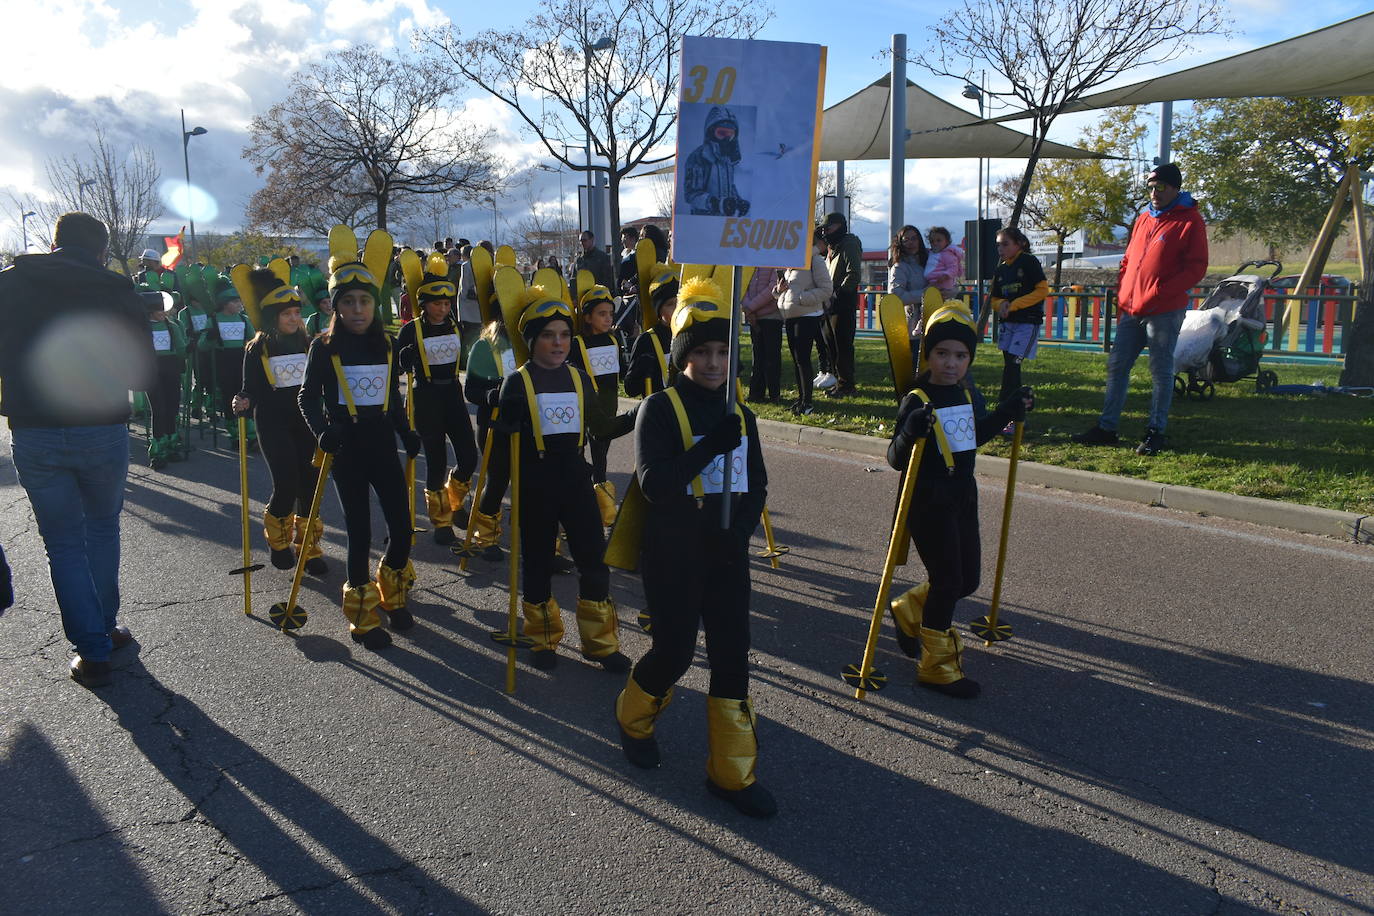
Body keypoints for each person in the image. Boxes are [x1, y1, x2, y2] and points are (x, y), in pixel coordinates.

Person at [613, 276, 775, 819]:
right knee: (676, 652)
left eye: (722, 351)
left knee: (732, 658)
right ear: (683, 355)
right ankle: (632, 718)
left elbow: (757, 486)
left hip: (726, 554)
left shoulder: (741, 414)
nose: (712, 363)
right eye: (701, 352)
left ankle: (731, 774)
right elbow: (656, 483)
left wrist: (739, 534)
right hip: (674, 552)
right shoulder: (658, 409)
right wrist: (709, 446)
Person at [0, 211, 155, 688]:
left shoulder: (7, 285)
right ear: (101, 251)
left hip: (35, 428)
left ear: (53, 244)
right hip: (101, 426)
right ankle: (105, 629)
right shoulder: (114, 289)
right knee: (103, 529)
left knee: (63, 541)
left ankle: (92, 650)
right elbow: (140, 371)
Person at [885, 306, 1031, 699]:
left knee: (967, 580)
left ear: (970, 358)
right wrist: (911, 430)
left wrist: (1006, 411)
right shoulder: (916, 396)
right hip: (927, 499)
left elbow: (973, 436)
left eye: (960, 355)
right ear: (928, 355)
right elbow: (896, 459)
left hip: (962, 494)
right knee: (948, 580)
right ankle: (937, 666)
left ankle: (911, 609)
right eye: (942, 354)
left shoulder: (967, 391)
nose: (951, 363)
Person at [493, 288, 636, 672]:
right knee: (538, 563)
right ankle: (542, 639)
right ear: (532, 340)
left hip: (575, 478)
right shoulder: (516, 383)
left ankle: (600, 644)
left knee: (593, 561)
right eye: (547, 335)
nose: (558, 343)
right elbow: (502, 452)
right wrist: (500, 426)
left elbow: (601, 428)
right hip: (536, 484)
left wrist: (639, 415)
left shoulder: (577, 378)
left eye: (563, 335)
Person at [298, 260, 422, 650]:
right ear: (335, 306)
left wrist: (406, 431)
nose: (357, 309)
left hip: (382, 444)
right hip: (347, 448)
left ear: (375, 304)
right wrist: (322, 432)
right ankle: (363, 614)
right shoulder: (323, 346)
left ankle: (394, 592)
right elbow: (307, 397)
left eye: (364, 301)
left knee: (402, 528)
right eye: (348, 301)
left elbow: (392, 396)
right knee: (360, 532)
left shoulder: (385, 342)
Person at [1073, 163, 1208, 456]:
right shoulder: (1144, 217)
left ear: (1174, 188)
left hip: (1164, 311)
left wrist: (1159, 292)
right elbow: (1128, 260)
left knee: (1160, 371)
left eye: (1160, 187)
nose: (1154, 193)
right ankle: (1107, 428)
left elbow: (1196, 268)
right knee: (1117, 365)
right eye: (1150, 187)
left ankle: (1155, 431)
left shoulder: (1190, 220)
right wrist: (1124, 291)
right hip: (1131, 308)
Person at [232, 270, 326, 575]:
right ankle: (279, 541)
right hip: (273, 422)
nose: (293, 319)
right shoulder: (257, 348)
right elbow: (249, 388)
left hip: (306, 421)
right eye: (287, 313)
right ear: (274, 316)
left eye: (297, 312)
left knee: (310, 485)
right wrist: (243, 400)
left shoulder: (309, 344)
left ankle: (309, 547)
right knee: (286, 483)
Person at [396, 257, 479, 546]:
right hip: (426, 396)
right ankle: (441, 520)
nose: (443, 309)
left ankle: (455, 504)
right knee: (435, 461)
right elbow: (394, 366)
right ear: (424, 304)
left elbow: (467, 357)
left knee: (469, 456)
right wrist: (403, 360)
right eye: (437, 304)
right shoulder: (411, 330)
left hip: (453, 393)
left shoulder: (454, 326)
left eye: (446, 303)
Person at [568, 284, 628, 527]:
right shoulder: (578, 343)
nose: (608, 319)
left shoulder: (613, 339)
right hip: (585, 408)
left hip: (608, 405)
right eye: (602, 314)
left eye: (610, 314)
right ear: (588, 317)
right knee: (580, 455)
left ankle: (603, 507)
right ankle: (581, 505)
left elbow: (621, 373)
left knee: (601, 457)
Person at [463, 310, 519, 562]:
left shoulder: (527, 342)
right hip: (493, 423)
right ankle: (485, 536)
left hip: (523, 423)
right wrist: (489, 395)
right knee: (497, 479)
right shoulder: (484, 347)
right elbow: (471, 390)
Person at [775, 228, 833, 416]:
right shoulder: (791, 265)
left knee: (803, 360)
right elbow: (785, 293)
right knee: (797, 360)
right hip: (791, 316)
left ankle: (807, 402)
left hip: (807, 316)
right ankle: (801, 400)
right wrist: (778, 291)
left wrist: (801, 299)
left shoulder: (815, 260)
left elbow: (826, 289)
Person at [989, 226, 1048, 407]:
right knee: (1009, 363)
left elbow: (1042, 290)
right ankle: (1020, 401)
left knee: (1014, 362)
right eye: (999, 245)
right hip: (1008, 323)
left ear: (1019, 244)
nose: (1001, 249)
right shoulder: (1001, 270)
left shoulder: (1028, 261)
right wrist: (1001, 305)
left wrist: (1014, 305)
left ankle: (1006, 403)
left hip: (1027, 322)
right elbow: (994, 298)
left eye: (1006, 244)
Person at [140, 288, 188, 469]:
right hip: (152, 370)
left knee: (172, 406)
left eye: (164, 310)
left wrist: (187, 349)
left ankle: (171, 444)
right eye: (159, 310)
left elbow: (180, 346)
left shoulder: (172, 326)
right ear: (150, 311)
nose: (163, 313)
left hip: (171, 367)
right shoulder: (142, 328)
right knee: (158, 409)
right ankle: (158, 450)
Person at [206, 275, 256, 444]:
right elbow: (202, 345)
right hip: (223, 360)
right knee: (228, 394)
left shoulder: (243, 319)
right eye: (235, 302)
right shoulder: (213, 319)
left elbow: (253, 340)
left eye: (239, 301)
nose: (239, 305)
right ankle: (234, 431)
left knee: (244, 392)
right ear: (225, 304)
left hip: (241, 359)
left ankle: (248, 429)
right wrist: (208, 337)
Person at [821, 212, 862, 398]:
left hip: (842, 302)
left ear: (840, 225)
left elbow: (853, 273)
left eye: (829, 227)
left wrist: (839, 293)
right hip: (831, 302)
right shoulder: (833, 246)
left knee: (843, 345)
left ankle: (847, 385)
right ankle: (840, 382)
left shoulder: (848, 243)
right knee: (832, 344)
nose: (826, 231)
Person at [684, 106, 749, 217]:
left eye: (730, 135)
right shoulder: (699, 157)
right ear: (710, 132)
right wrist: (715, 203)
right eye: (722, 133)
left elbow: (730, 186)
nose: (726, 139)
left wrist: (738, 201)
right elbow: (691, 194)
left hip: (725, 223)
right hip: (702, 221)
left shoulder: (728, 159)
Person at [624, 267, 678, 397]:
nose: (677, 309)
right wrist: (641, 368)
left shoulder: (689, 335)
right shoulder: (647, 340)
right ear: (659, 311)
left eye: (680, 302)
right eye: (670, 304)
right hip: (657, 410)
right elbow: (630, 389)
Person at [743, 267, 781, 403]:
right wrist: (749, 310)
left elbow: (773, 287)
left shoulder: (776, 261)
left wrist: (751, 307)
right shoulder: (751, 264)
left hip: (771, 316)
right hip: (754, 317)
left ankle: (774, 393)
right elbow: (743, 286)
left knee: (772, 357)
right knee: (757, 356)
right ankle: (756, 392)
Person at [889, 225, 929, 341]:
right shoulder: (899, 267)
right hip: (914, 323)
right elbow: (895, 296)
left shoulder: (930, 261)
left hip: (935, 319)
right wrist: (927, 294)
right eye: (906, 240)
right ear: (900, 243)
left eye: (914, 238)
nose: (911, 243)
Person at [924, 227, 964, 300]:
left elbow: (953, 268)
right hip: (934, 283)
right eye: (932, 241)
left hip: (943, 283)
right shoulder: (932, 253)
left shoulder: (947, 254)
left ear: (947, 242)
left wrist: (945, 276)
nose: (935, 243)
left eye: (939, 240)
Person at [573, 230, 614, 298]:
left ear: (592, 240)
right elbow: (574, 279)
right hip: (581, 297)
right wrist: (574, 297)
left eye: (585, 240)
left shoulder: (603, 257)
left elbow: (607, 280)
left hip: (598, 296)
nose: (582, 243)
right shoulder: (578, 260)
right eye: (581, 241)